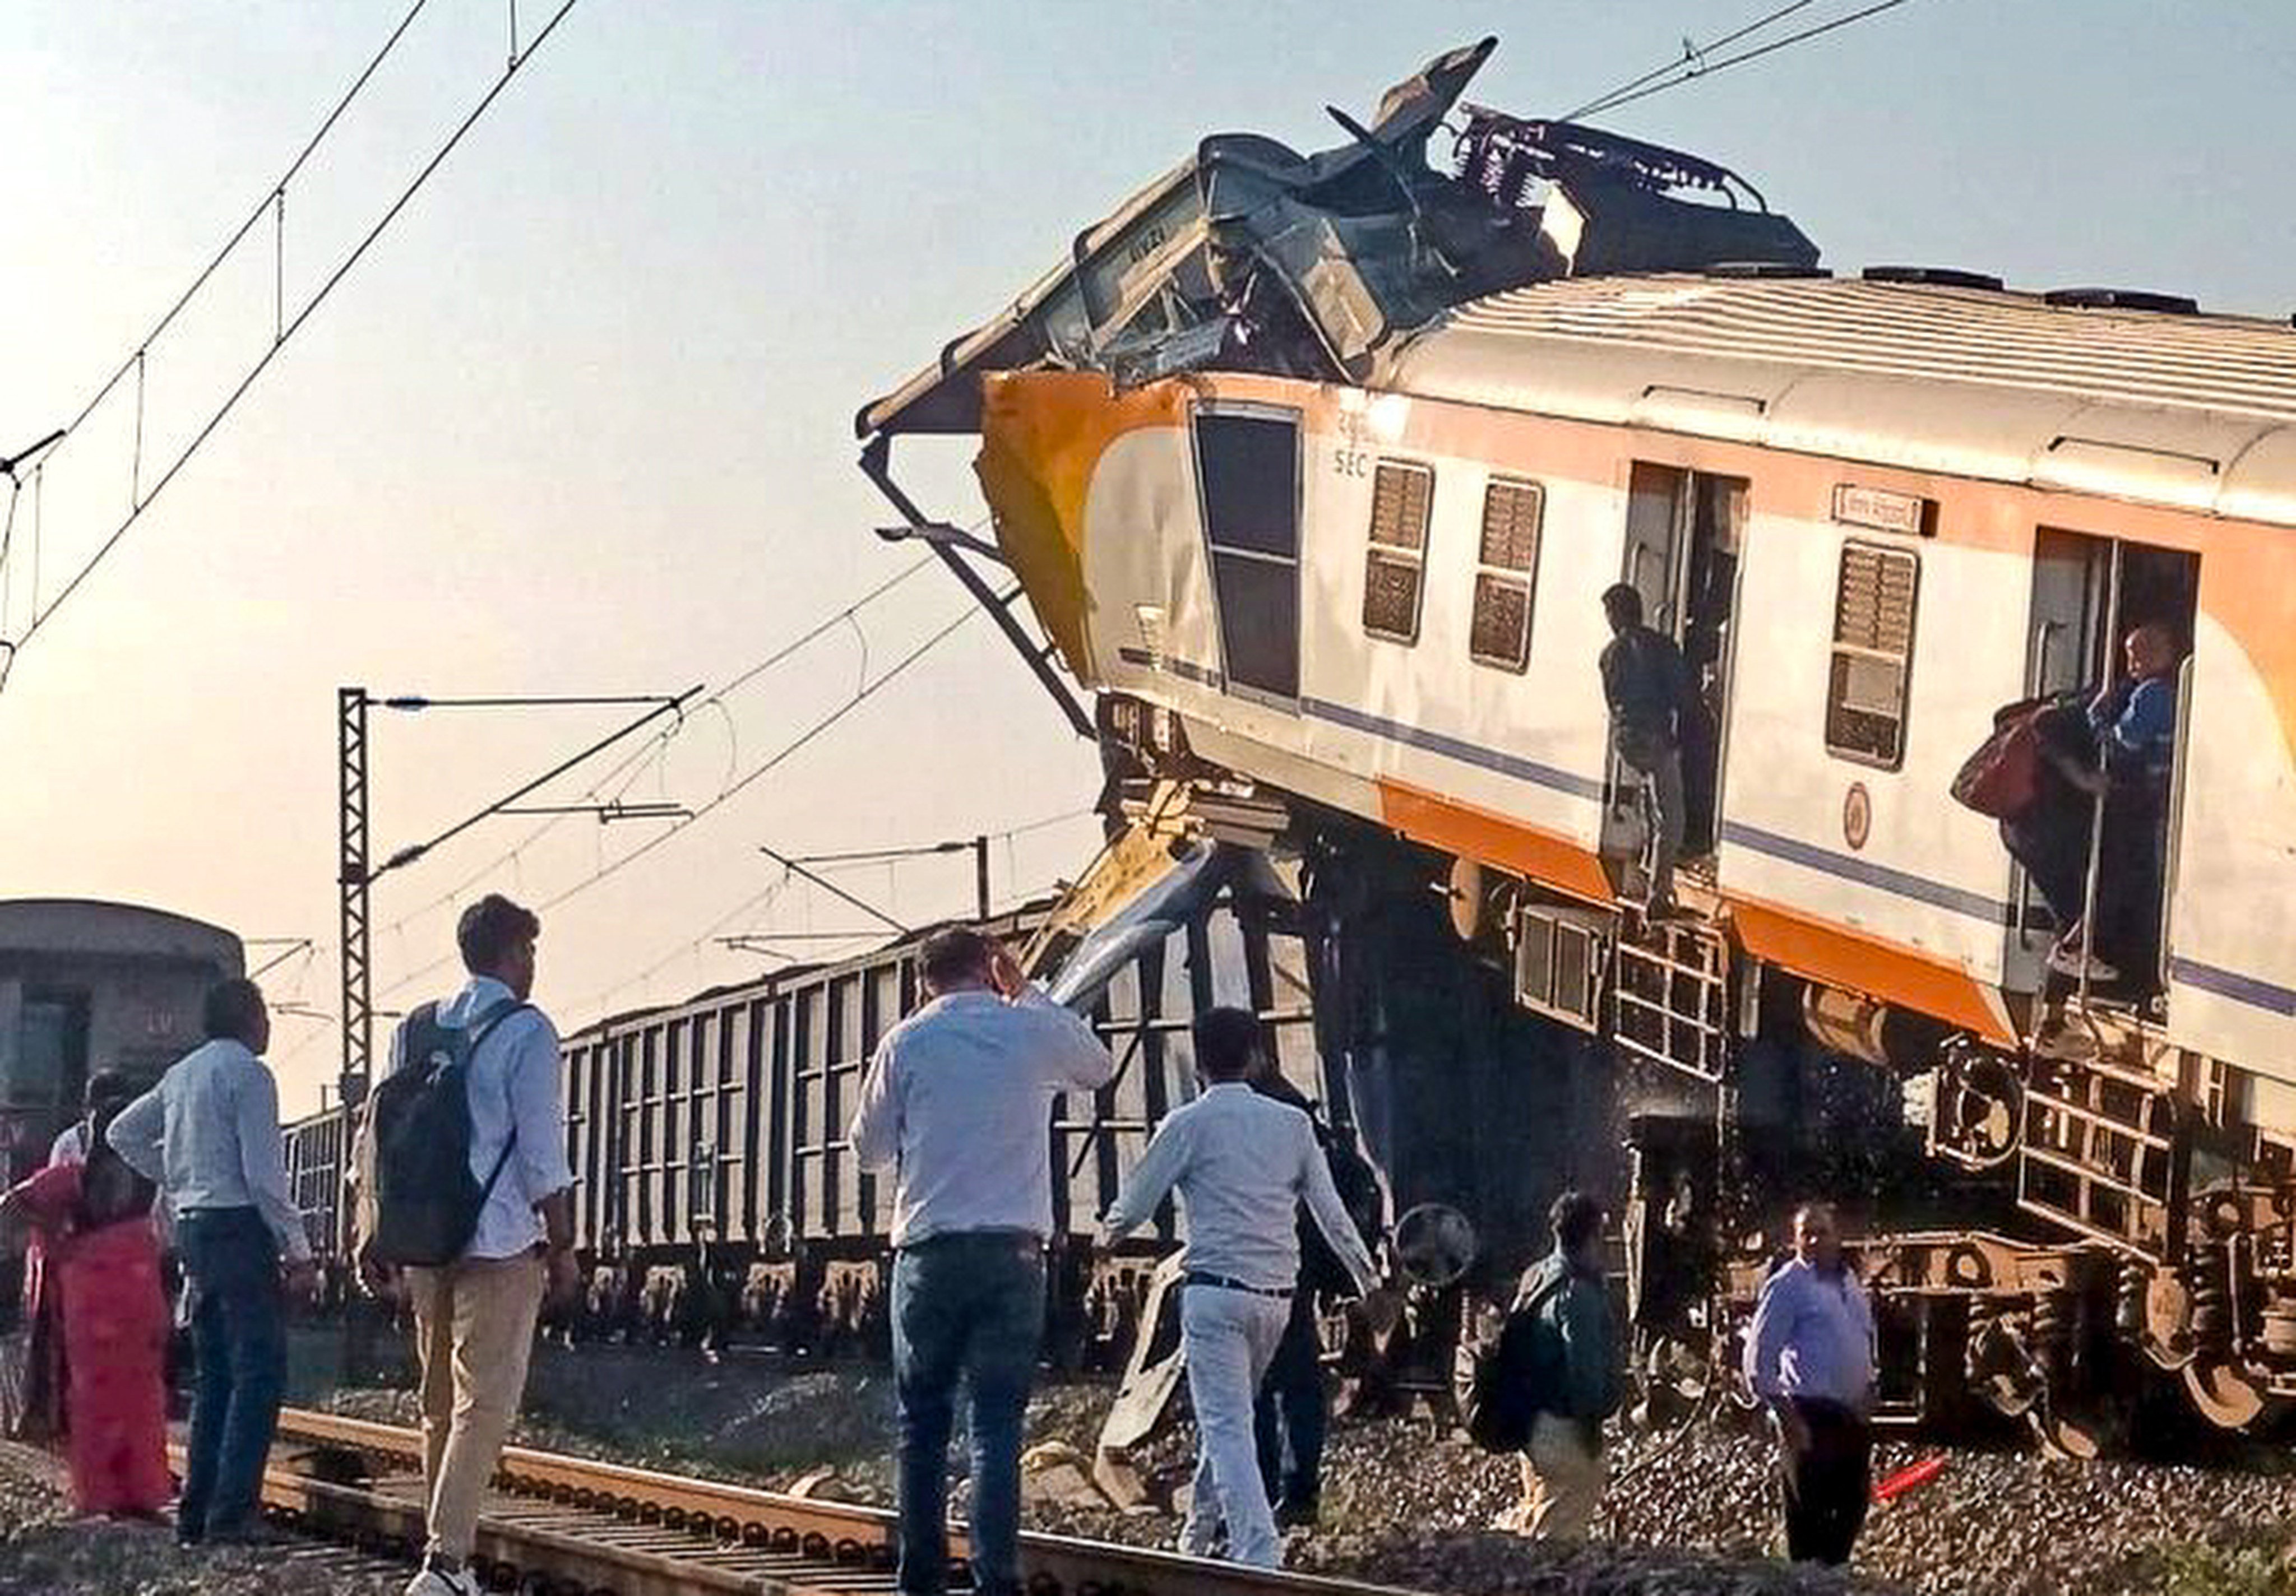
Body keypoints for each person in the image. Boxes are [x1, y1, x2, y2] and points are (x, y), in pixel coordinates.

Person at [848, 927, 1115, 1596]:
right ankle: (996, 1581)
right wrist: (1028, 994)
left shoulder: (906, 1041)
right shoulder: (1026, 1029)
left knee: (921, 1424)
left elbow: (868, 1150)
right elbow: (1098, 1067)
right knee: (996, 1425)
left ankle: (922, 1582)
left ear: (923, 981)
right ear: (991, 969)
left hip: (930, 1255)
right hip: (1012, 1254)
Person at [1100, 1006, 1383, 1570]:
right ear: (1254, 1057)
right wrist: (1369, 1282)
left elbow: (1132, 1208)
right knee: (1228, 1416)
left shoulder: (1186, 1124)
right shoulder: (1293, 1125)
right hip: (1276, 1299)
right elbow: (1332, 1216)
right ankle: (1197, 1536)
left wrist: (1106, 1236)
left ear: (1199, 1063)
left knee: (1226, 1424)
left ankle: (1258, 1554)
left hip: (1214, 1296)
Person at [364, 894, 579, 1596]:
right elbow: (541, 1147)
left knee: (437, 1405)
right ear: (513, 954)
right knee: (482, 1405)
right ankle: (446, 1563)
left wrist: (369, 1231)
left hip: (425, 1240)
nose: (533, 963)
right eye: (531, 950)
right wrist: (564, 1241)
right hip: (500, 1240)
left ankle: (442, 1557)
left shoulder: (414, 1028)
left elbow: (378, 1137)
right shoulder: (527, 1030)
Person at [108, 977, 318, 1547]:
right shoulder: (249, 1075)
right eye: (265, 1014)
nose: (270, 1025)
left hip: (196, 1230)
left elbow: (122, 1133)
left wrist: (179, 1175)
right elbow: (264, 1176)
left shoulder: (181, 1074)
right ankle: (233, 1514)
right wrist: (299, 1251)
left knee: (216, 1375)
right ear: (249, 1018)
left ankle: (196, 1514)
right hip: (238, 1227)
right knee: (258, 1372)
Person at [2, 1098, 170, 1519]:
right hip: (141, 1294)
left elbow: (11, 1207)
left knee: (94, 1401)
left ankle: (100, 1495)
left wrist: (46, 1237)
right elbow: (168, 1236)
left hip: (89, 1302)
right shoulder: (154, 1175)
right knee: (142, 1399)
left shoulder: (71, 1178)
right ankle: (142, 1494)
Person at [1248, 1059, 1379, 1530]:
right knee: (1297, 1386)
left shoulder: (1242, 1115)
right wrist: (1363, 1278)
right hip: (1294, 1271)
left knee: (1257, 1391)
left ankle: (1262, 1494)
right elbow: (1328, 1208)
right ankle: (1298, 1493)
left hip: (1257, 1268)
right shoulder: (1296, 1112)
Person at [2049, 620, 2184, 987]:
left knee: (2124, 876)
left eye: (2139, 655)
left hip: (2145, 800)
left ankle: (2077, 945)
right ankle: (2077, 945)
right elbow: (2127, 744)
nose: (2132, 665)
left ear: (2163, 654)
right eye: (2130, 656)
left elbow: (2122, 745)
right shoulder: (2160, 693)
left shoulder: (2152, 695)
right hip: (2153, 802)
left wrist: (2096, 717)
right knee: (2128, 876)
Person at [1742, 1201, 1876, 1567]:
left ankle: (1831, 1576)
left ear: (1838, 1236)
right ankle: (1806, 1582)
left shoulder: (1850, 1283)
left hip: (1851, 1415)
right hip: (1808, 1415)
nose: (1815, 1240)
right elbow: (1758, 1359)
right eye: (1807, 1234)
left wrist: (1870, 1387)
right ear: (1796, 1240)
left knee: (1852, 1505)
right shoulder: (1788, 1286)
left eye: (1822, 1232)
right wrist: (1787, 1417)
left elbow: (1864, 1336)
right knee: (1809, 1518)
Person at [1503, 1190, 1619, 1541]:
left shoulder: (1536, 1276)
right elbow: (1584, 1370)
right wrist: (1592, 1433)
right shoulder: (1578, 1292)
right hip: (1564, 1429)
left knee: (1536, 1518)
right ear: (1594, 1235)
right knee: (1559, 1540)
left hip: (1532, 1424)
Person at [1598, 583, 1691, 913]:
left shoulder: (1610, 654)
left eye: (1609, 614)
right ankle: (1659, 894)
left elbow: (1612, 701)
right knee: (1673, 819)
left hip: (1627, 740)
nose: (1608, 620)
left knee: (1653, 807)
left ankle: (1648, 866)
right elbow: (1681, 695)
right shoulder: (1663, 647)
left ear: (1618, 615)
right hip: (1656, 738)